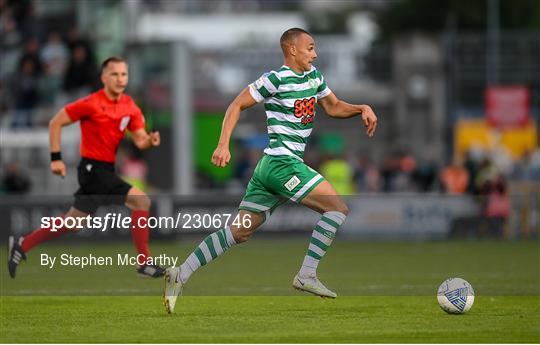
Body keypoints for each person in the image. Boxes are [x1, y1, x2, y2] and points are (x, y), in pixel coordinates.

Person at [163, 28, 378, 313]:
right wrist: (223, 144)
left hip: (270, 167)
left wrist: (361, 107)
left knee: (239, 232)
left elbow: (334, 107)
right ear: (292, 49)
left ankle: (181, 273)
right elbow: (236, 104)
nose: (315, 54)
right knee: (337, 208)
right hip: (282, 163)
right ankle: (307, 275)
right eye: (310, 48)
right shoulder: (274, 79)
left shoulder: (314, 77)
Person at [8, 56, 165, 278]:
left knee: (72, 222)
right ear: (103, 77)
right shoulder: (91, 103)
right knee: (141, 200)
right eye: (114, 74)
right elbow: (56, 122)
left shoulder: (129, 106)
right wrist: (56, 158)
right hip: (92, 169)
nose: (120, 79)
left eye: (124, 74)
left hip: (106, 170)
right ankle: (144, 263)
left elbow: (140, 139)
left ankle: (23, 245)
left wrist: (150, 140)